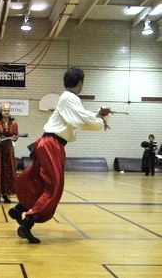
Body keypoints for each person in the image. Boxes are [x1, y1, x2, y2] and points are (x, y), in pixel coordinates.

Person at [8, 67, 111, 243]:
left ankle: (21, 208)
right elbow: (82, 119)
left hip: (47, 143)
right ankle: (27, 222)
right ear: (80, 83)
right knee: (54, 186)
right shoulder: (70, 98)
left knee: (40, 182)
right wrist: (101, 120)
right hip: (51, 145)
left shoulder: (68, 99)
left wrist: (98, 116)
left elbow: (81, 117)